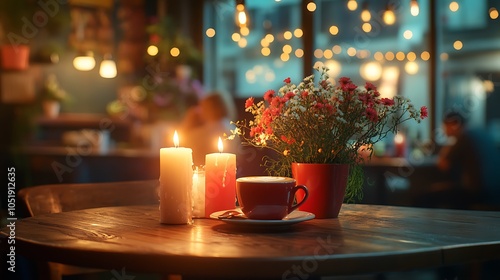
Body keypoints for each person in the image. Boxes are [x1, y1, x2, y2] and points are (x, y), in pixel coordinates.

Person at [415, 111, 500, 209]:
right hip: (495, 191)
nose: (444, 130)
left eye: (445, 126)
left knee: (423, 197)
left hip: (477, 192)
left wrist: (449, 142)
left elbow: (443, 164)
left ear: (453, 124)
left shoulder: (464, 137)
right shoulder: (480, 133)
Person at [179, 91, 239, 166]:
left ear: (210, 108)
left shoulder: (202, 133)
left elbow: (180, 146)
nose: (199, 111)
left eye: (202, 107)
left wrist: (188, 120)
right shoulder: (232, 128)